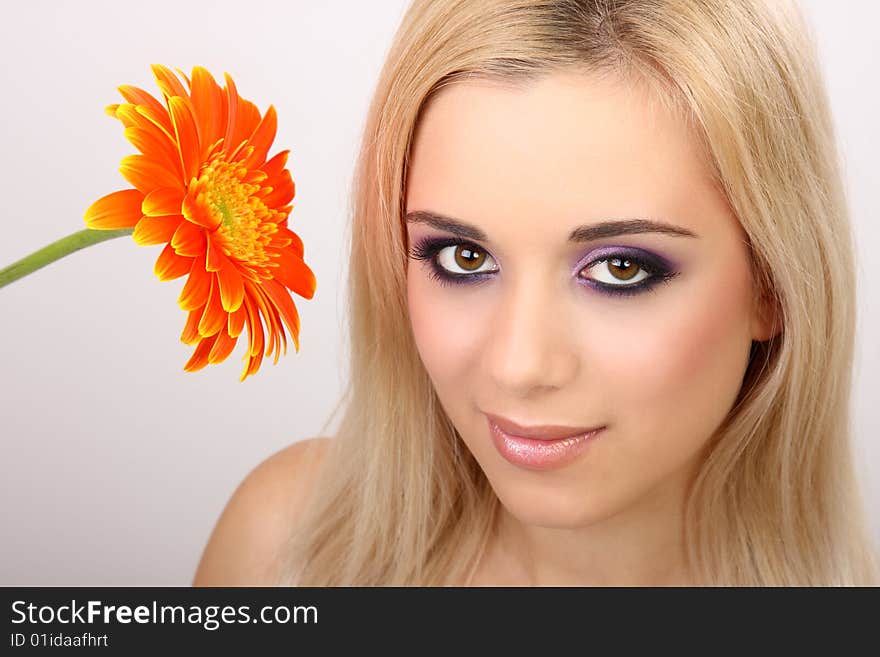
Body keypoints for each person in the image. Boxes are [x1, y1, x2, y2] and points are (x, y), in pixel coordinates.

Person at [192, 0, 880, 586]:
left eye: (619, 269)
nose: (518, 365)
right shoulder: (288, 551)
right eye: (464, 258)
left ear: (773, 284)